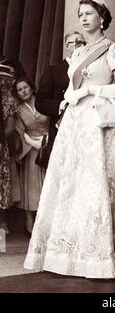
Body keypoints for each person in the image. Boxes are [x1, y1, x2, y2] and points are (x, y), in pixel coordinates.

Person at [24, 0, 115, 278]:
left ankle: (101, 259)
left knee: (98, 185)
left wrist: (91, 90)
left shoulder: (113, 48)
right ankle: (71, 256)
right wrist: (67, 99)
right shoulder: (76, 53)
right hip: (75, 125)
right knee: (72, 187)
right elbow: (69, 89)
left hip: (100, 123)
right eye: (80, 14)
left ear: (102, 16)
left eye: (88, 13)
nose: (83, 18)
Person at [35, 31, 85, 164]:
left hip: (84, 129)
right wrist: (60, 105)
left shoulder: (89, 70)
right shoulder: (53, 70)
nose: (79, 46)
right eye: (76, 42)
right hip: (60, 130)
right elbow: (40, 102)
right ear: (67, 47)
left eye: (82, 42)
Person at [13, 77, 49, 234]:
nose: (23, 91)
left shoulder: (43, 102)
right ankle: (30, 221)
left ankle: (48, 223)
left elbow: (55, 121)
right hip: (31, 150)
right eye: (20, 90)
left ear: (31, 88)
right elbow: (19, 132)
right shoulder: (19, 110)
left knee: (49, 184)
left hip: (49, 145)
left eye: (25, 87)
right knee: (31, 188)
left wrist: (47, 139)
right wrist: (31, 142)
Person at [0, 60, 18, 234]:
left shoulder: (8, 100)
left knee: (2, 182)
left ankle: (2, 223)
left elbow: (10, 128)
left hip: (0, 146)